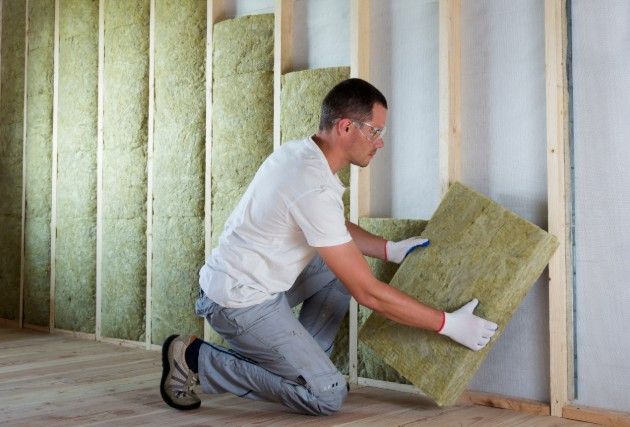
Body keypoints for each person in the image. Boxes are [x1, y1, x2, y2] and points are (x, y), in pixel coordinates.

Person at [159, 78, 498, 415]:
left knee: (337, 272)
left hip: (256, 283)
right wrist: (447, 324)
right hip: (237, 303)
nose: (379, 144)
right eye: (375, 132)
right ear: (346, 127)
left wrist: (387, 248)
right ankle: (193, 358)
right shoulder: (311, 184)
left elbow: (331, 228)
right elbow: (369, 293)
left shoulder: (303, 154)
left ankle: (305, 367)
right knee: (326, 396)